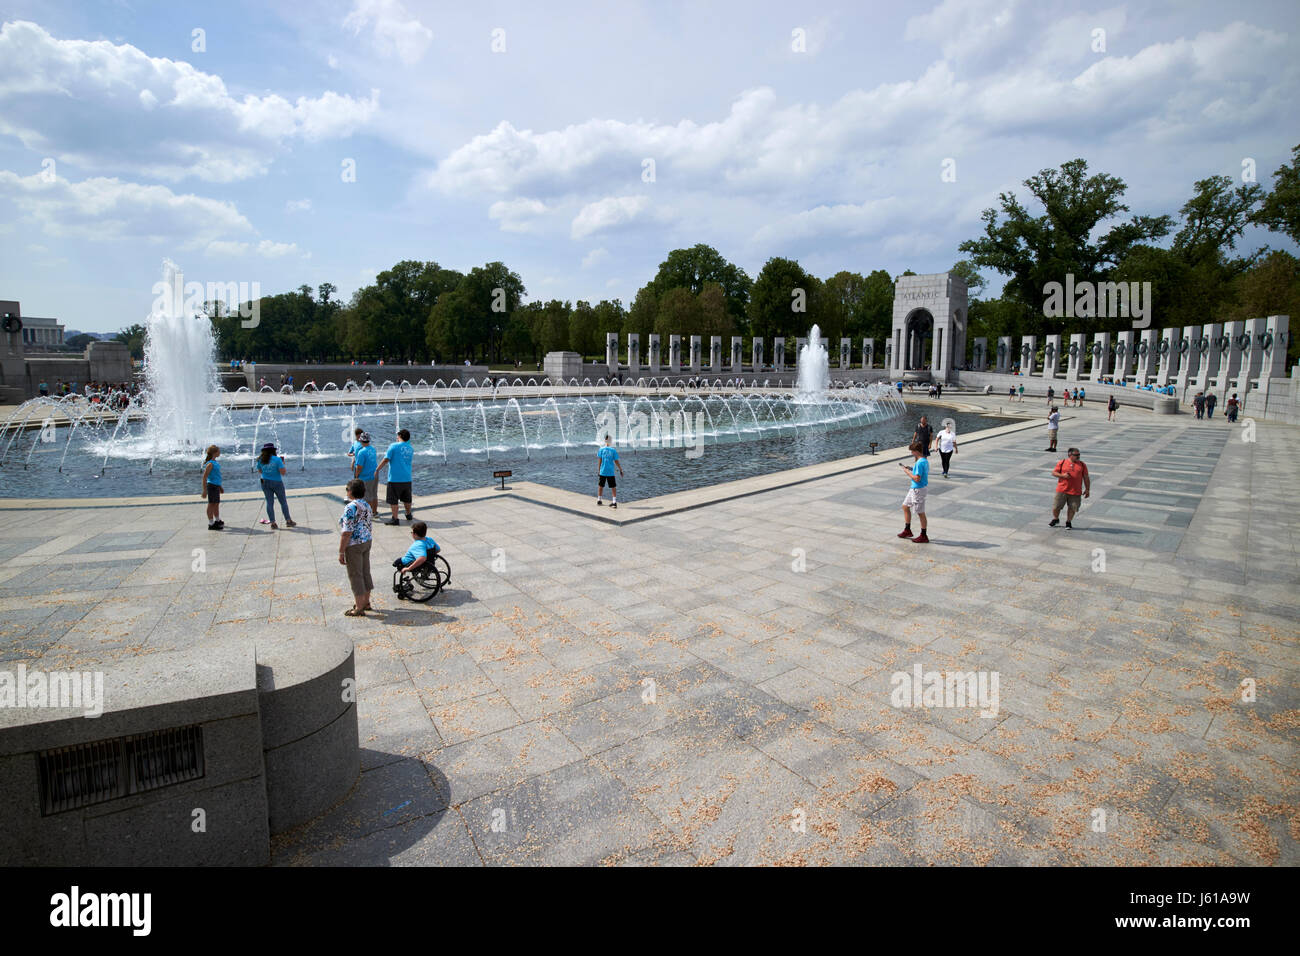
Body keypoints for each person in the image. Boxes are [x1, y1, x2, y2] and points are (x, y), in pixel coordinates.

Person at [338, 478, 374, 617]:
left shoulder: (350, 507)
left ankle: (359, 607)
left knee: (355, 575)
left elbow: (347, 532)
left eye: (347, 489)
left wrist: (341, 551)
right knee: (365, 571)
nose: (346, 492)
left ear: (351, 492)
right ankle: (366, 601)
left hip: (354, 544)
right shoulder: (367, 505)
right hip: (366, 540)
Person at [377, 428, 415, 525]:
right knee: (407, 498)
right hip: (407, 477)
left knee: (393, 500)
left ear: (400, 436)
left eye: (398, 436)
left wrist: (377, 469)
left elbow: (386, 459)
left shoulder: (393, 446)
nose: (396, 437)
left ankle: (395, 518)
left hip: (395, 478)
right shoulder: (410, 448)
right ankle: (408, 514)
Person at [257, 442, 296, 529]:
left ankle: (273, 523)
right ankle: (288, 521)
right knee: (283, 502)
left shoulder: (260, 459)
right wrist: (283, 464)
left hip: (264, 481)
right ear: (273, 451)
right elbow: (283, 473)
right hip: (276, 482)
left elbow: (260, 471)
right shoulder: (277, 460)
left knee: (269, 502)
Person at [1049, 447, 1090, 530]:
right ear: (1069, 455)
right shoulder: (1062, 462)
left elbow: (1086, 477)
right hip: (1062, 489)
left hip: (1076, 491)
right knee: (1056, 507)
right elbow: (1054, 473)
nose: (1078, 456)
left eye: (1079, 455)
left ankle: (1068, 522)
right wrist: (1062, 476)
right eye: (1076, 455)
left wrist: (1087, 489)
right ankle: (1056, 519)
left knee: (1073, 508)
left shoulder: (1082, 464)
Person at [897, 441, 929, 544]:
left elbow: (917, 478)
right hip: (914, 489)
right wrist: (912, 468)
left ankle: (924, 535)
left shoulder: (920, 462)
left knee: (920, 512)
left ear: (917, 451)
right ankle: (907, 530)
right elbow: (920, 472)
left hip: (918, 489)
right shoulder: (923, 460)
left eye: (912, 451)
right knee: (905, 506)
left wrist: (907, 472)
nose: (911, 453)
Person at [352, 431, 379, 514]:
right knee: (374, 494)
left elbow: (359, 467)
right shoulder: (373, 449)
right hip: (375, 475)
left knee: (367, 497)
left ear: (361, 441)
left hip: (366, 477)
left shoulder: (361, 452)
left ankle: (368, 514)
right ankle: (374, 512)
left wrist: (356, 477)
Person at [596, 433, 623, 507]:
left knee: (600, 486)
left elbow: (600, 461)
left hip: (603, 471)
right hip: (610, 472)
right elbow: (616, 461)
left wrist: (599, 470)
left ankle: (599, 500)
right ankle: (614, 502)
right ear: (610, 441)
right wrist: (620, 469)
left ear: (605, 440)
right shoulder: (613, 450)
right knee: (613, 487)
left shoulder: (601, 449)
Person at [200, 445, 224, 530]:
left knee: (216, 504)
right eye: (218, 451)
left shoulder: (215, 462)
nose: (220, 452)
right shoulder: (210, 464)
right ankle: (211, 523)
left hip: (216, 485)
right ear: (215, 453)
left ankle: (217, 519)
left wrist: (220, 486)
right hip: (211, 486)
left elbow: (217, 476)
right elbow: (205, 477)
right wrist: (204, 490)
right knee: (211, 504)